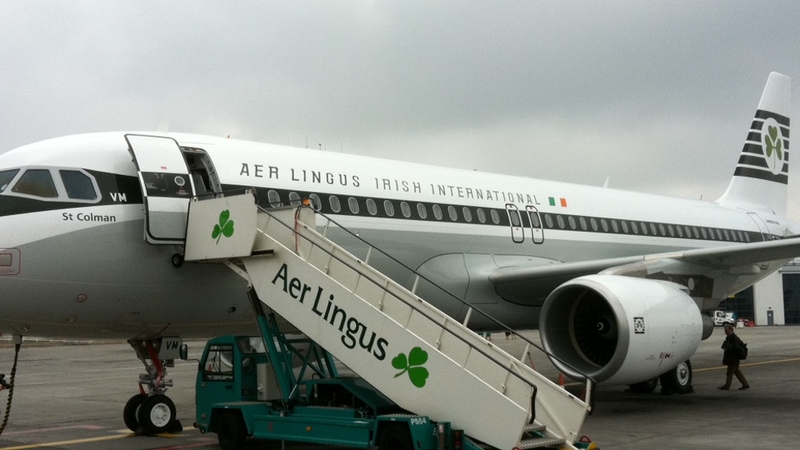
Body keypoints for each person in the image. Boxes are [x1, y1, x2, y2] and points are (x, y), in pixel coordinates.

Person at [718, 323, 750, 390]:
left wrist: (729, 347)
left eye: (726, 330)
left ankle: (727, 386)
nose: (725, 331)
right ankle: (745, 384)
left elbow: (736, 348)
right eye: (725, 330)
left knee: (729, 373)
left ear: (731, 329)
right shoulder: (730, 338)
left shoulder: (734, 338)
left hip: (733, 358)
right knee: (737, 372)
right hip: (733, 358)